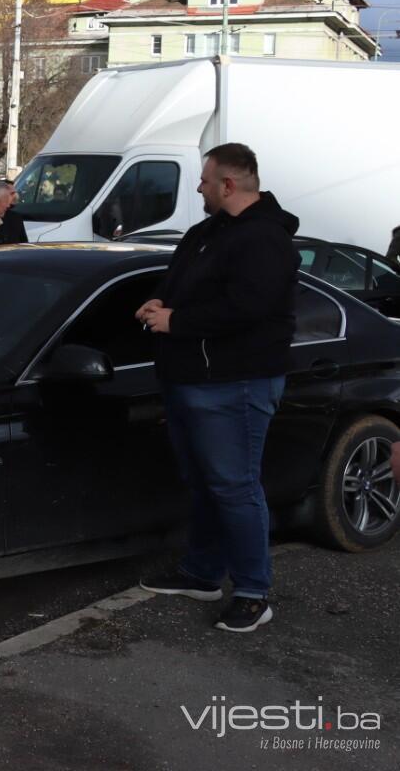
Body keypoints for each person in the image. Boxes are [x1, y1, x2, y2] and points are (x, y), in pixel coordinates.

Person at [136, 144, 300, 633]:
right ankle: (202, 573)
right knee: (206, 483)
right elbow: (179, 282)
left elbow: (249, 308)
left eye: (205, 180)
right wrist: (159, 301)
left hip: (237, 383)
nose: (199, 187)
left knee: (235, 487)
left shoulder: (265, 238)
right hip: (191, 378)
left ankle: (252, 592)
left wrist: (177, 321)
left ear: (228, 185)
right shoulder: (206, 232)